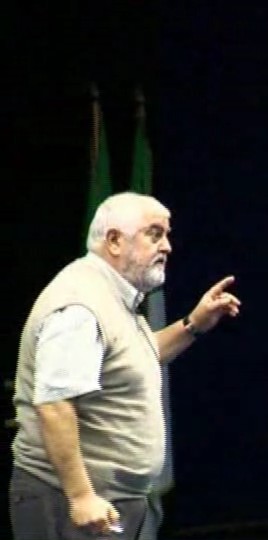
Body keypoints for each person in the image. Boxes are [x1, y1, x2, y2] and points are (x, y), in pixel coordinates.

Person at [9, 192, 241, 539]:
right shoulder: (80, 306)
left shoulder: (111, 296)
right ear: (114, 241)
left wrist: (193, 324)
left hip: (105, 502)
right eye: (154, 234)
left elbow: (131, 363)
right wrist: (81, 496)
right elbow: (55, 405)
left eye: (167, 235)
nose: (167, 247)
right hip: (67, 503)